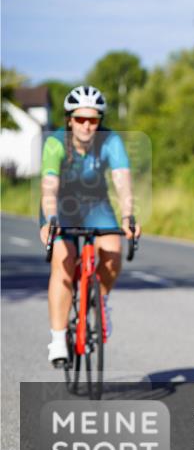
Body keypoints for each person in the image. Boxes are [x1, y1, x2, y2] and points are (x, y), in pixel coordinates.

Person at [38, 85, 141, 366]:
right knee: (64, 259)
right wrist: (51, 221)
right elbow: (49, 187)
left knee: (112, 252)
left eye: (93, 119)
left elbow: (122, 180)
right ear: (69, 119)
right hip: (61, 205)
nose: (86, 125)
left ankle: (100, 301)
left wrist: (128, 216)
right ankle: (58, 339)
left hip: (96, 203)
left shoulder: (110, 140)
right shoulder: (56, 142)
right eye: (80, 119)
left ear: (100, 121)